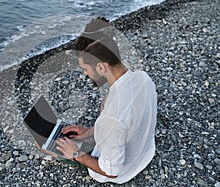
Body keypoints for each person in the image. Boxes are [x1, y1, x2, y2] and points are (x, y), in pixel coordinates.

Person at [38, 17, 157, 184]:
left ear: (101, 67)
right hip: (145, 152)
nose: (85, 74)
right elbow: (126, 122)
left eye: (85, 69)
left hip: (125, 171)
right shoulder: (143, 79)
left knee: (44, 145)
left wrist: (75, 154)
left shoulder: (111, 117)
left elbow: (111, 171)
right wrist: (88, 132)